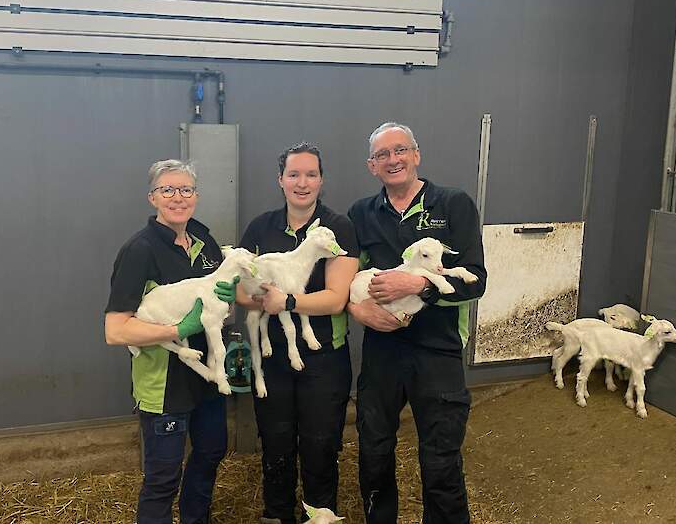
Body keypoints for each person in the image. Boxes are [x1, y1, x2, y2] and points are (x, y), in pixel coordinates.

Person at [347, 123, 486, 524]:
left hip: (436, 349)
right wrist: (357, 311)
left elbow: (476, 279)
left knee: (440, 458)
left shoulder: (452, 204)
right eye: (382, 155)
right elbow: (342, 280)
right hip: (382, 351)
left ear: (416, 155)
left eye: (400, 150)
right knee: (373, 450)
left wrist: (420, 285)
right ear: (372, 166)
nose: (393, 160)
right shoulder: (361, 214)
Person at [104, 159, 239, 524]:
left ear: (196, 196)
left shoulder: (206, 243)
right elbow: (115, 331)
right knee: (163, 476)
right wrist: (177, 330)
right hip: (164, 383)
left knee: (211, 452)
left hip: (207, 375)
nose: (178, 198)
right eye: (168, 190)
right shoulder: (140, 251)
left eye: (186, 190)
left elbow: (219, 297)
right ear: (152, 197)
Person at [236, 142, 360, 524]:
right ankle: (276, 515)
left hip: (323, 357)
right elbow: (241, 290)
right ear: (281, 180)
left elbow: (336, 298)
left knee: (321, 444)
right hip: (273, 357)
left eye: (310, 174)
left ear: (321, 180)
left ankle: (320, 515)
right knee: (275, 442)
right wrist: (265, 299)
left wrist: (284, 301)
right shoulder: (261, 227)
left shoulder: (337, 228)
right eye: (294, 174)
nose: (301, 183)